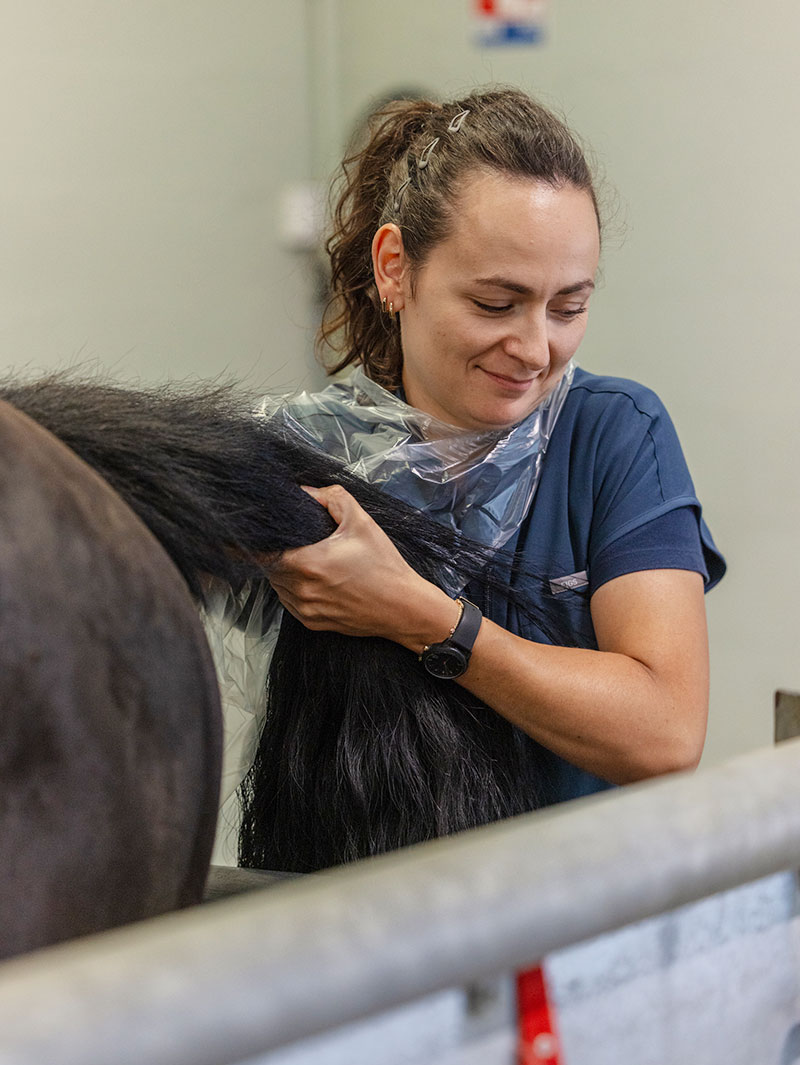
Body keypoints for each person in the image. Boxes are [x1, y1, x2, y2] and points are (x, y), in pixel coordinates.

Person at [263, 85, 725, 809]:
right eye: (494, 304)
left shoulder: (614, 436)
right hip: (360, 902)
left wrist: (426, 619)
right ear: (395, 269)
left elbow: (664, 733)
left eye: (569, 306)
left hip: (569, 908)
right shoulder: (311, 455)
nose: (537, 348)